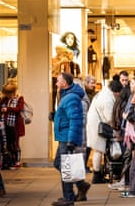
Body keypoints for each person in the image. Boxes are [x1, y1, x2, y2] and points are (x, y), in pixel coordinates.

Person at [52, 72, 90, 206]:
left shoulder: (71, 97)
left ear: (65, 83)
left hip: (67, 136)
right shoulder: (66, 95)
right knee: (59, 164)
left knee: (65, 166)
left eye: (58, 81)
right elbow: (68, 116)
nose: (56, 83)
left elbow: (75, 119)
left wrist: (71, 140)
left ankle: (68, 197)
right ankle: (81, 185)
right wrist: (55, 117)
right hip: (64, 135)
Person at [86, 75, 123, 184]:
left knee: (98, 149)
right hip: (97, 126)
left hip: (95, 124)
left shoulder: (103, 93)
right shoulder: (107, 99)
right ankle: (96, 175)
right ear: (115, 92)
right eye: (118, 94)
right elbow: (109, 118)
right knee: (98, 149)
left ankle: (97, 173)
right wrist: (116, 130)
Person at [0, 83, 25, 169]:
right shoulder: (4, 99)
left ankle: (16, 161)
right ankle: (9, 161)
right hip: (4, 124)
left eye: (9, 93)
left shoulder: (19, 98)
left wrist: (7, 109)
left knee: (15, 143)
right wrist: (2, 109)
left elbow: (19, 109)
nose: (8, 95)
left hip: (14, 125)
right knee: (7, 143)